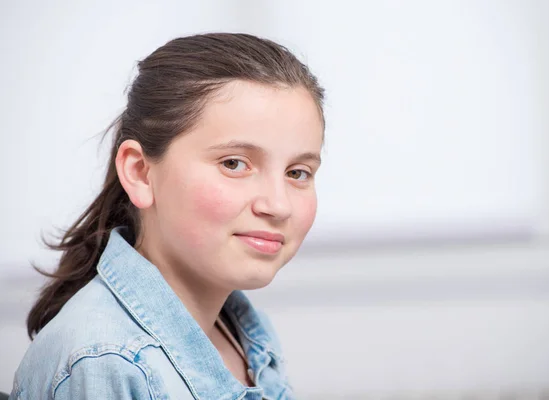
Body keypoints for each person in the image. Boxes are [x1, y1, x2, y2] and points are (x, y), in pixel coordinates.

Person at [10, 32, 325, 400]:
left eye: (297, 172)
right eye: (234, 164)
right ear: (141, 172)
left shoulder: (247, 335)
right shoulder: (105, 363)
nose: (278, 205)